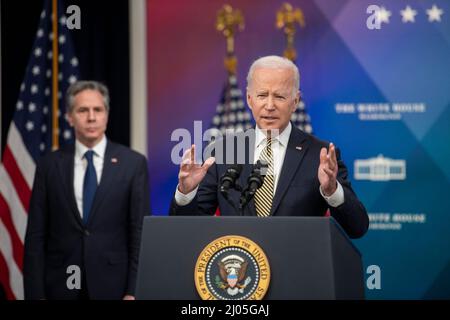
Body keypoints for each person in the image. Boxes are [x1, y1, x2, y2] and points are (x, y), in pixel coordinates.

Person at [170, 55, 368, 239]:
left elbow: (357, 227)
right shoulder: (222, 152)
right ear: (249, 99)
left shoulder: (319, 155)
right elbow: (185, 231)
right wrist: (186, 193)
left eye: (280, 97)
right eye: (262, 95)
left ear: (295, 101)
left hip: (299, 271)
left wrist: (332, 190)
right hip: (238, 271)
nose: (269, 105)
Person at [23, 81, 150, 299]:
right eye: (83, 110)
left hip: (113, 288)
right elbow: (36, 236)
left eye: (98, 110)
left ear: (107, 115)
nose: (91, 117)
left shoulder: (133, 164)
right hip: (60, 288)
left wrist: (133, 291)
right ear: (69, 117)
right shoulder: (49, 165)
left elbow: (139, 233)